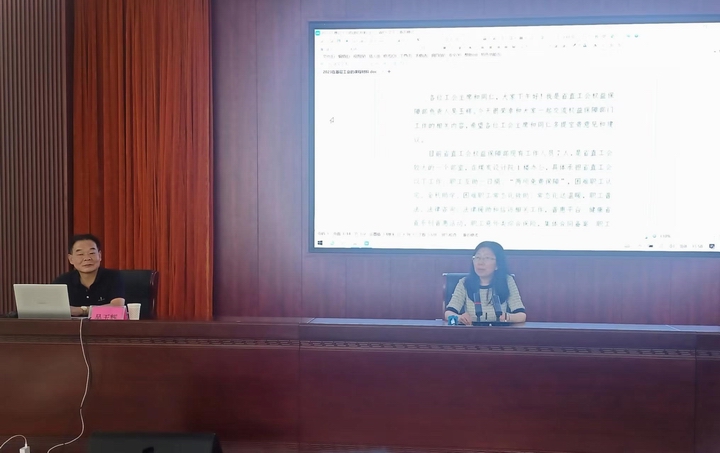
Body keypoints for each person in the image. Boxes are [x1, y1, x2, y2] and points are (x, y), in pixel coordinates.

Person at [444, 241, 526, 325]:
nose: (480, 262)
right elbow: (448, 313)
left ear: (497, 265)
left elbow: (521, 315)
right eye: (477, 257)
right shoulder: (464, 282)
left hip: (499, 331)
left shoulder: (507, 281)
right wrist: (459, 317)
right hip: (471, 331)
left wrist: (508, 317)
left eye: (487, 258)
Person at [53, 234, 126, 317]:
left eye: (92, 253)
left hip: (105, 325)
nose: (87, 258)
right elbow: (53, 309)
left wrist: (82, 310)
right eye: (80, 254)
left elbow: (117, 307)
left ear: (99, 256)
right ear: (71, 259)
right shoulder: (62, 282)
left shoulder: (113, 277)